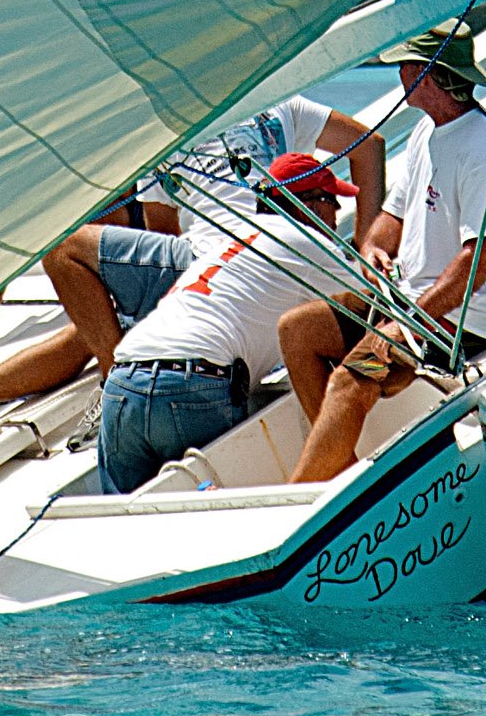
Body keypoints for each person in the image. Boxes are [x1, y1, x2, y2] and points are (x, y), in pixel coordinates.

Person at [0, 92, 386, 435]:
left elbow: (164, 233)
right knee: (102, 323)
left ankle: (106, 377)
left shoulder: (174, 139)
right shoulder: (278, 107)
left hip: (205, 262)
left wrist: (362, 255)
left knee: (76, 274)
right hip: (220, 267)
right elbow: (372, 146)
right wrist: (363, 251)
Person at [281, 25, 486, 484]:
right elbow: (393, 215)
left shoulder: (482, 147)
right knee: (298, 331)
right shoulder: (426, 132)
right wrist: (374, 246)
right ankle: (338, 470)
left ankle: (305, 495)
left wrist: (408, 321)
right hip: (412, 302)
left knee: (348, 380)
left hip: (463, 319)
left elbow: (481, 261)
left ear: (425, 75)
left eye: (404, 66)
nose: (398, 74)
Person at [93, 152, 360, 494]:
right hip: (192, 385)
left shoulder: (229, 239)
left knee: (127, 527)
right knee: (218, 519)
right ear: (306, 203)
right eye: (330, 200)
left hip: (123, 381)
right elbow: (372, 313)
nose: (336, 214)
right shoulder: (307, 241)